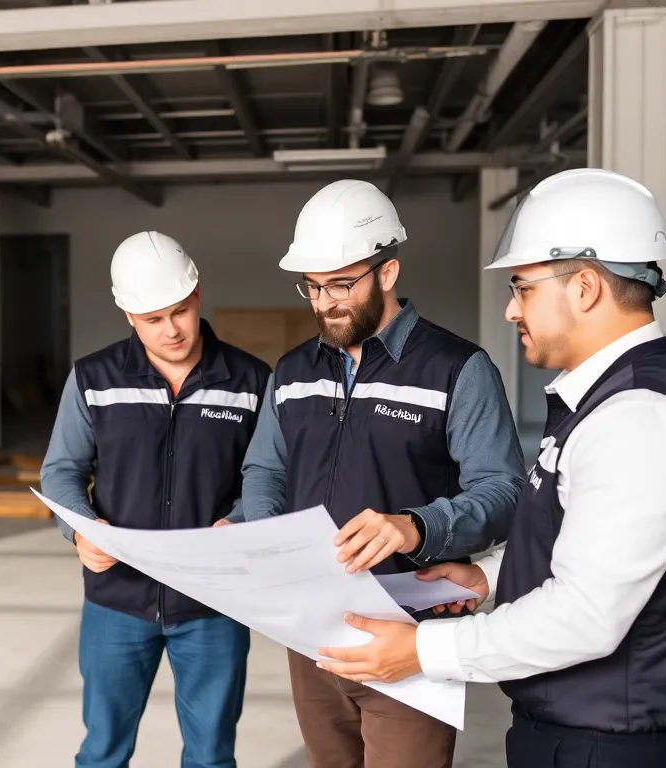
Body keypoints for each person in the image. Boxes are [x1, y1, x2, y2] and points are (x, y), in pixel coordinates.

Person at [314, 168, 666, 768]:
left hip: (612, 744)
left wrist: (422, 650)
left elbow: (586, 616)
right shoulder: (605, 403)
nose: (513, 310)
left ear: (586, 287)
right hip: (580, 729)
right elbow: (581, 544)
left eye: (525, 288)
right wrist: (491, 575)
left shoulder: (641, 420)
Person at [237, 179, 526, 768]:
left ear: (387, 273)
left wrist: (417, 526)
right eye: (312, 287)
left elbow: (504, 492)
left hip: (409, 634)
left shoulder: (458, 369)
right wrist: (262, 538)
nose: (324, 303)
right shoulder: (291, 371)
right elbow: (265, 468)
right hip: (312, 633)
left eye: (342, 284)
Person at [40, 231, 272, 768]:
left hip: (214, 604)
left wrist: (242, 520)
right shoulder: (93, 380)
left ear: (197, 296)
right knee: (101, 752)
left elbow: (268, 475)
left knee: (212, 756)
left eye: (180, 312)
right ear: (128, 315)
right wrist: (80, 530)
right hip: (116, 601)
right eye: (153, 319)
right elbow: (61, 472)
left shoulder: (252, 381)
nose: (171, 330)